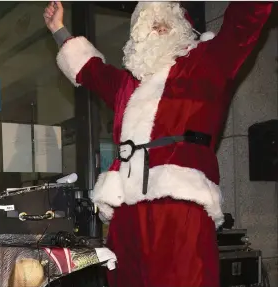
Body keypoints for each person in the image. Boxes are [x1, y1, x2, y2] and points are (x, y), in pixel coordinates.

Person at [43, 1, 272, 287]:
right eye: (149, 24)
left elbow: (242, 25)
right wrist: (59, 31)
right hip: (126, 209)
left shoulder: (206, 63)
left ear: (181, 27)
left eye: (165, 22)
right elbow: (91, 70)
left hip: (178, 205)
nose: (158, 28)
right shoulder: (128, 84)